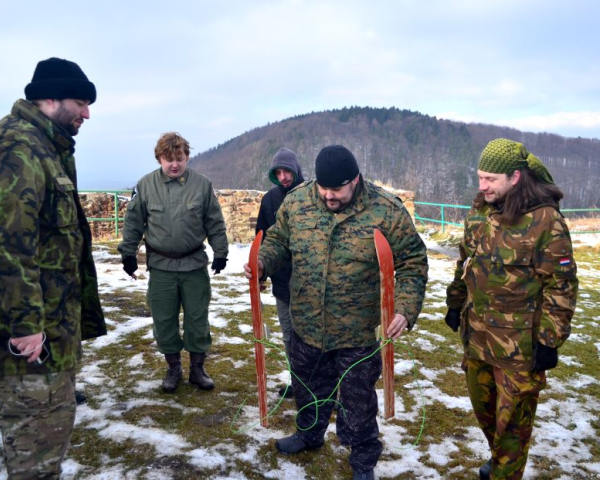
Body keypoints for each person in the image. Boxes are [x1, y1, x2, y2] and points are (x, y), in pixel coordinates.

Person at [244, 145, 428, 480]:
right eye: (323, 188)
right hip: (307, 324)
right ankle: (309, 434)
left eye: (337, 189)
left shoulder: (386, 210)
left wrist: (404, 308)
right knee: (307, 387)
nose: (329, 196)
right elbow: (277, 240)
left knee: (358, 401)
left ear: (354, 180)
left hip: (358, 331)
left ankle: (363, 458)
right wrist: (262, 263)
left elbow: (413, 262)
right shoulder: (297, 202)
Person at [0, 57, 107, 479]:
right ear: (51, 98)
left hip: (52, 328)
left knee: (49, 439)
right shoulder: (16, 149)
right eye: (81, 103)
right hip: (31, 342)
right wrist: (25, 325)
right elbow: (3, 245)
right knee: (35, 451)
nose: (86, 114)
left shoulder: (45, 146)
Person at [445, 138, 578, 480]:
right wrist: (455, 301)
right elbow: (466, 260)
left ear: (515, 177)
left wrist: (549, 341)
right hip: (477, 339)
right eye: (479, 177)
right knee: (485, 413)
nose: (482, 186)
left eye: (490, 179)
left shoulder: (546, 221)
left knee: (513, 429)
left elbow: (561, 285)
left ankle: (506, 468)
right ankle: (501, 459)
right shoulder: (481, 211)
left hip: (518, 349)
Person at [118, 132, 229, 394]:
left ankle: (197, 369)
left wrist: (221, 252)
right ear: (159, 159)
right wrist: (128, 254)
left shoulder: (202, 185)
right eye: (169, 159)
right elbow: (133, 223)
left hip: (194, 265)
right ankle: (173, 368)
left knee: (197, 318)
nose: (175, 164)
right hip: (161, 267)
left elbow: (214, 222)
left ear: (187, 157)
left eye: (180, 158)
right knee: (164, 320)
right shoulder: (145, 186)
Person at [255, 147, 305, 398]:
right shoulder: (270, 200)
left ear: (296, 170)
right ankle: (298, 384)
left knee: (314, 338)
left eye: (287, 171)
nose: (283, 177)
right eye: (278, 173)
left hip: (311, 283)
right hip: (283, 281)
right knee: (289, 336)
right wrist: (260, 273)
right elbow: (263, 239)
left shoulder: (313, 195)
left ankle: (322, 387)